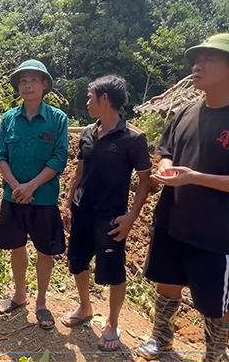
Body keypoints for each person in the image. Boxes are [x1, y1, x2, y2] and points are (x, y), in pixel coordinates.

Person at [136, 33, 229, 362]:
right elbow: (166, 152)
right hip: (172, 219)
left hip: (215, 232)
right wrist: (167, 168)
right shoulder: (187, 112)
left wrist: (196, 179)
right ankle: (161, 338)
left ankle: (214, 355)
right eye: (196, 59)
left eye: (207, 59)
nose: (196, 65)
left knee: (215, 304)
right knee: (166, 282)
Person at [60, 75, 152, 350]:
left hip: (110, 217)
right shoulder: (88, 132)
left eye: (90, 97)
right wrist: (67, 202)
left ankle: (112, 323)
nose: (87, 102)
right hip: (82, 210)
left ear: (105, 100)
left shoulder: (133, 138)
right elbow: (79, 171)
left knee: (112, 271)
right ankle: (85, 307)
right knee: (76, 262)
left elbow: (145, 180)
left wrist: (131, 217)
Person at [0, 59, 69, 330]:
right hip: (13, 197)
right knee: (17, 246)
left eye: (33, 80)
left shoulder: (58, 119)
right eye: (22, 81)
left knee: (44, 251)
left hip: (43, 198)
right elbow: (0, 155)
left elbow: (60, 158)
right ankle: (19, 294)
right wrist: (16, 186)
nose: (27, 85)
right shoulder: (8, 119)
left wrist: (32, 186)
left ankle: (41, 302)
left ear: (44, 85)